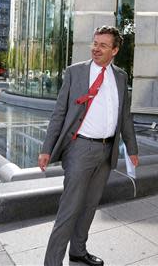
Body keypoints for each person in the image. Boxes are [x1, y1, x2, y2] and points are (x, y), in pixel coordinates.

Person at [38, 25, 139, 266]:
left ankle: (78, 251)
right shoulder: (75, 73)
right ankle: (52, 263)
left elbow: (125, 116)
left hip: (107, 151)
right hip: (80, 149)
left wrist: (132, 149)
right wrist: (46, 148)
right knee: (69, 209)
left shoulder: (121, 76)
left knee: (90, 206)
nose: (96, 48)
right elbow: (59, 113)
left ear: (114, 50)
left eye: (103, 45)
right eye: (95, 43)